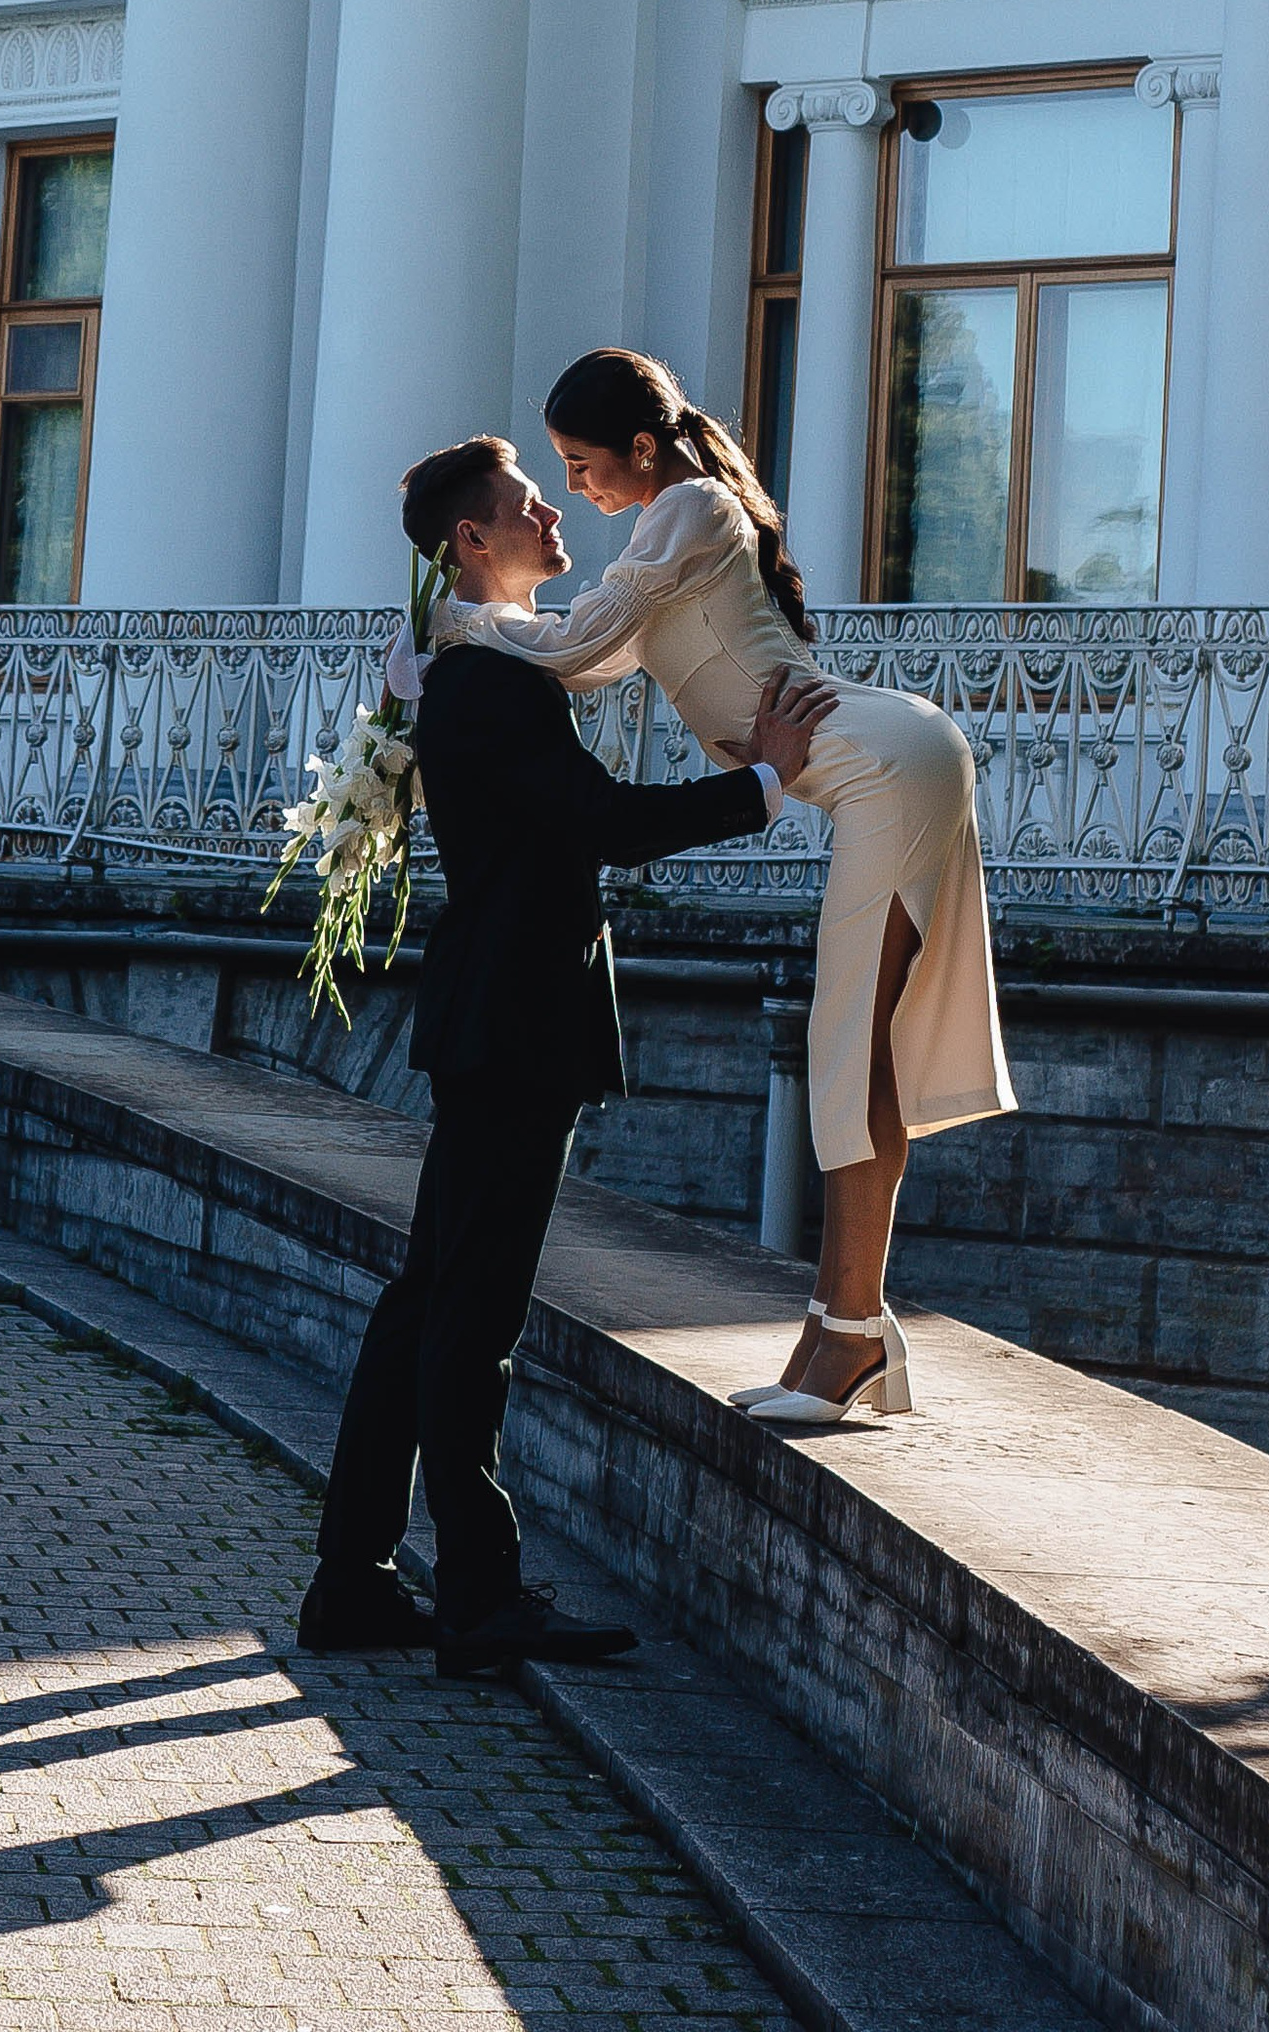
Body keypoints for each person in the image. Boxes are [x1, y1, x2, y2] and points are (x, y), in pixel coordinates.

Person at [299, 432, 832, 1679]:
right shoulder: (484, 679)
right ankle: (478, 1597)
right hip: (514, 1020)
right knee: (468, 1316)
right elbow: (597, 824)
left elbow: (572, 809)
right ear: (471, 543)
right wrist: (762, 782)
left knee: (425, 1301)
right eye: (527, 503)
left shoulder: (467, 669)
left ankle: (355, 1579)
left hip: (495, 1015)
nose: (555, 514)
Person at [435, 347, 1015, 1428]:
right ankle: (851, 1335)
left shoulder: (689, 506)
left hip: (885, 767)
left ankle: (847, 1337)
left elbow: (569, 650)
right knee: (862, 1050)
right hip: (886, 762)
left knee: (849, 1049)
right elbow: (594, 655)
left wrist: (444, 625)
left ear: (642, 450)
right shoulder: (673, 530)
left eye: (581, 462)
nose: (575, 491)